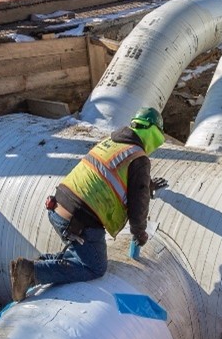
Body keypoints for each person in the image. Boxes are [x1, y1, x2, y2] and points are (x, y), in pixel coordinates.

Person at [9, 107, 169, 301]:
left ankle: (37, 264)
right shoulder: (139, 158)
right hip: (80, 220)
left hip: (58, 207)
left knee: (81, 254)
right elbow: (138, 202)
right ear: (152, 132)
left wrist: (147, 183)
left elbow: (113, 175)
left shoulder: (112, 142)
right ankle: (32, 271)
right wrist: (139, 232)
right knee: (94, 267)